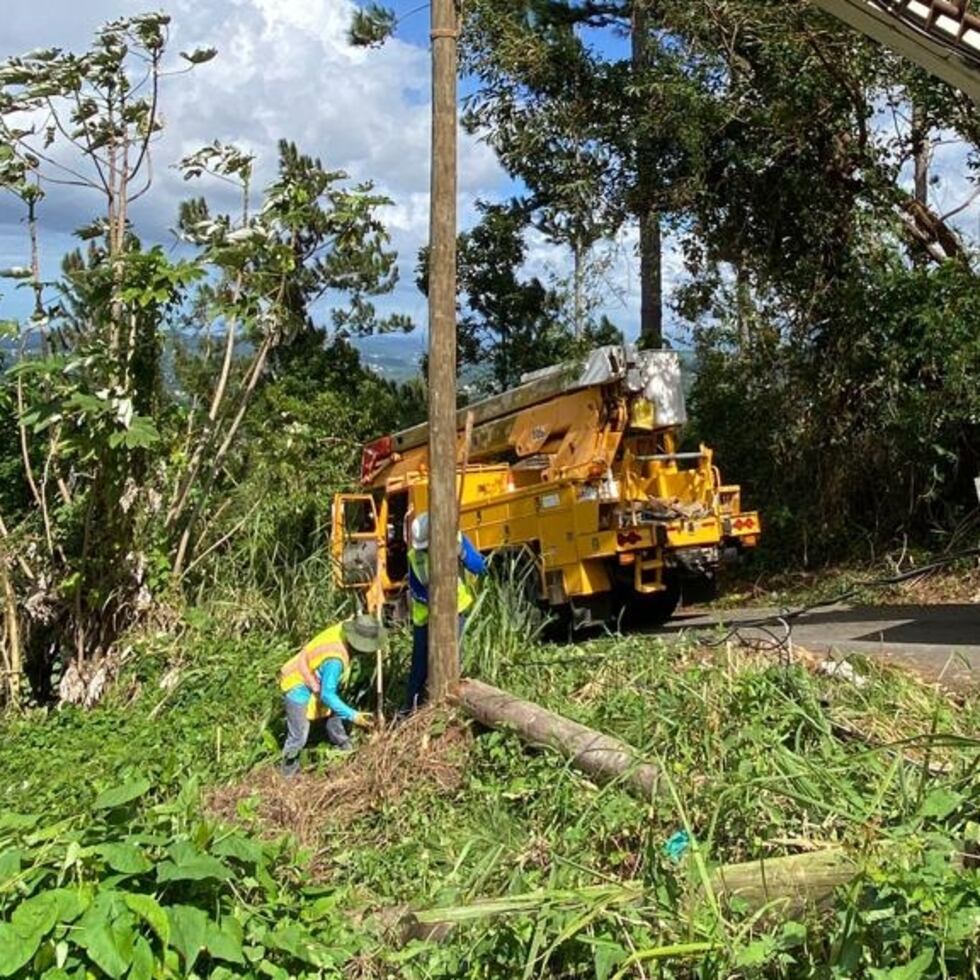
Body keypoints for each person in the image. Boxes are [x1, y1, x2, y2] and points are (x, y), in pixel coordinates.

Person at [278, 613, 385, 776]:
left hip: (316, 677)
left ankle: (345, 748)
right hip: (297, 682)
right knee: (299, 735)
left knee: (334, 713)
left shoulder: (345, 628)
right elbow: (327, 696)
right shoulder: (335, 659)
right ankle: (287, 775)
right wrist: (353, 715)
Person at [404, 511, 488, 712]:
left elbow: (480, 567)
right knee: (420, 667)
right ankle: (410, 710)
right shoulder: (415, 557)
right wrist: (436, 605)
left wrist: (463, 554)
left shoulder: (457, 540)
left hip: (455, 613)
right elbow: (417, 590)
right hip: (425, 619)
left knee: (451, 659)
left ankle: (449, 705)